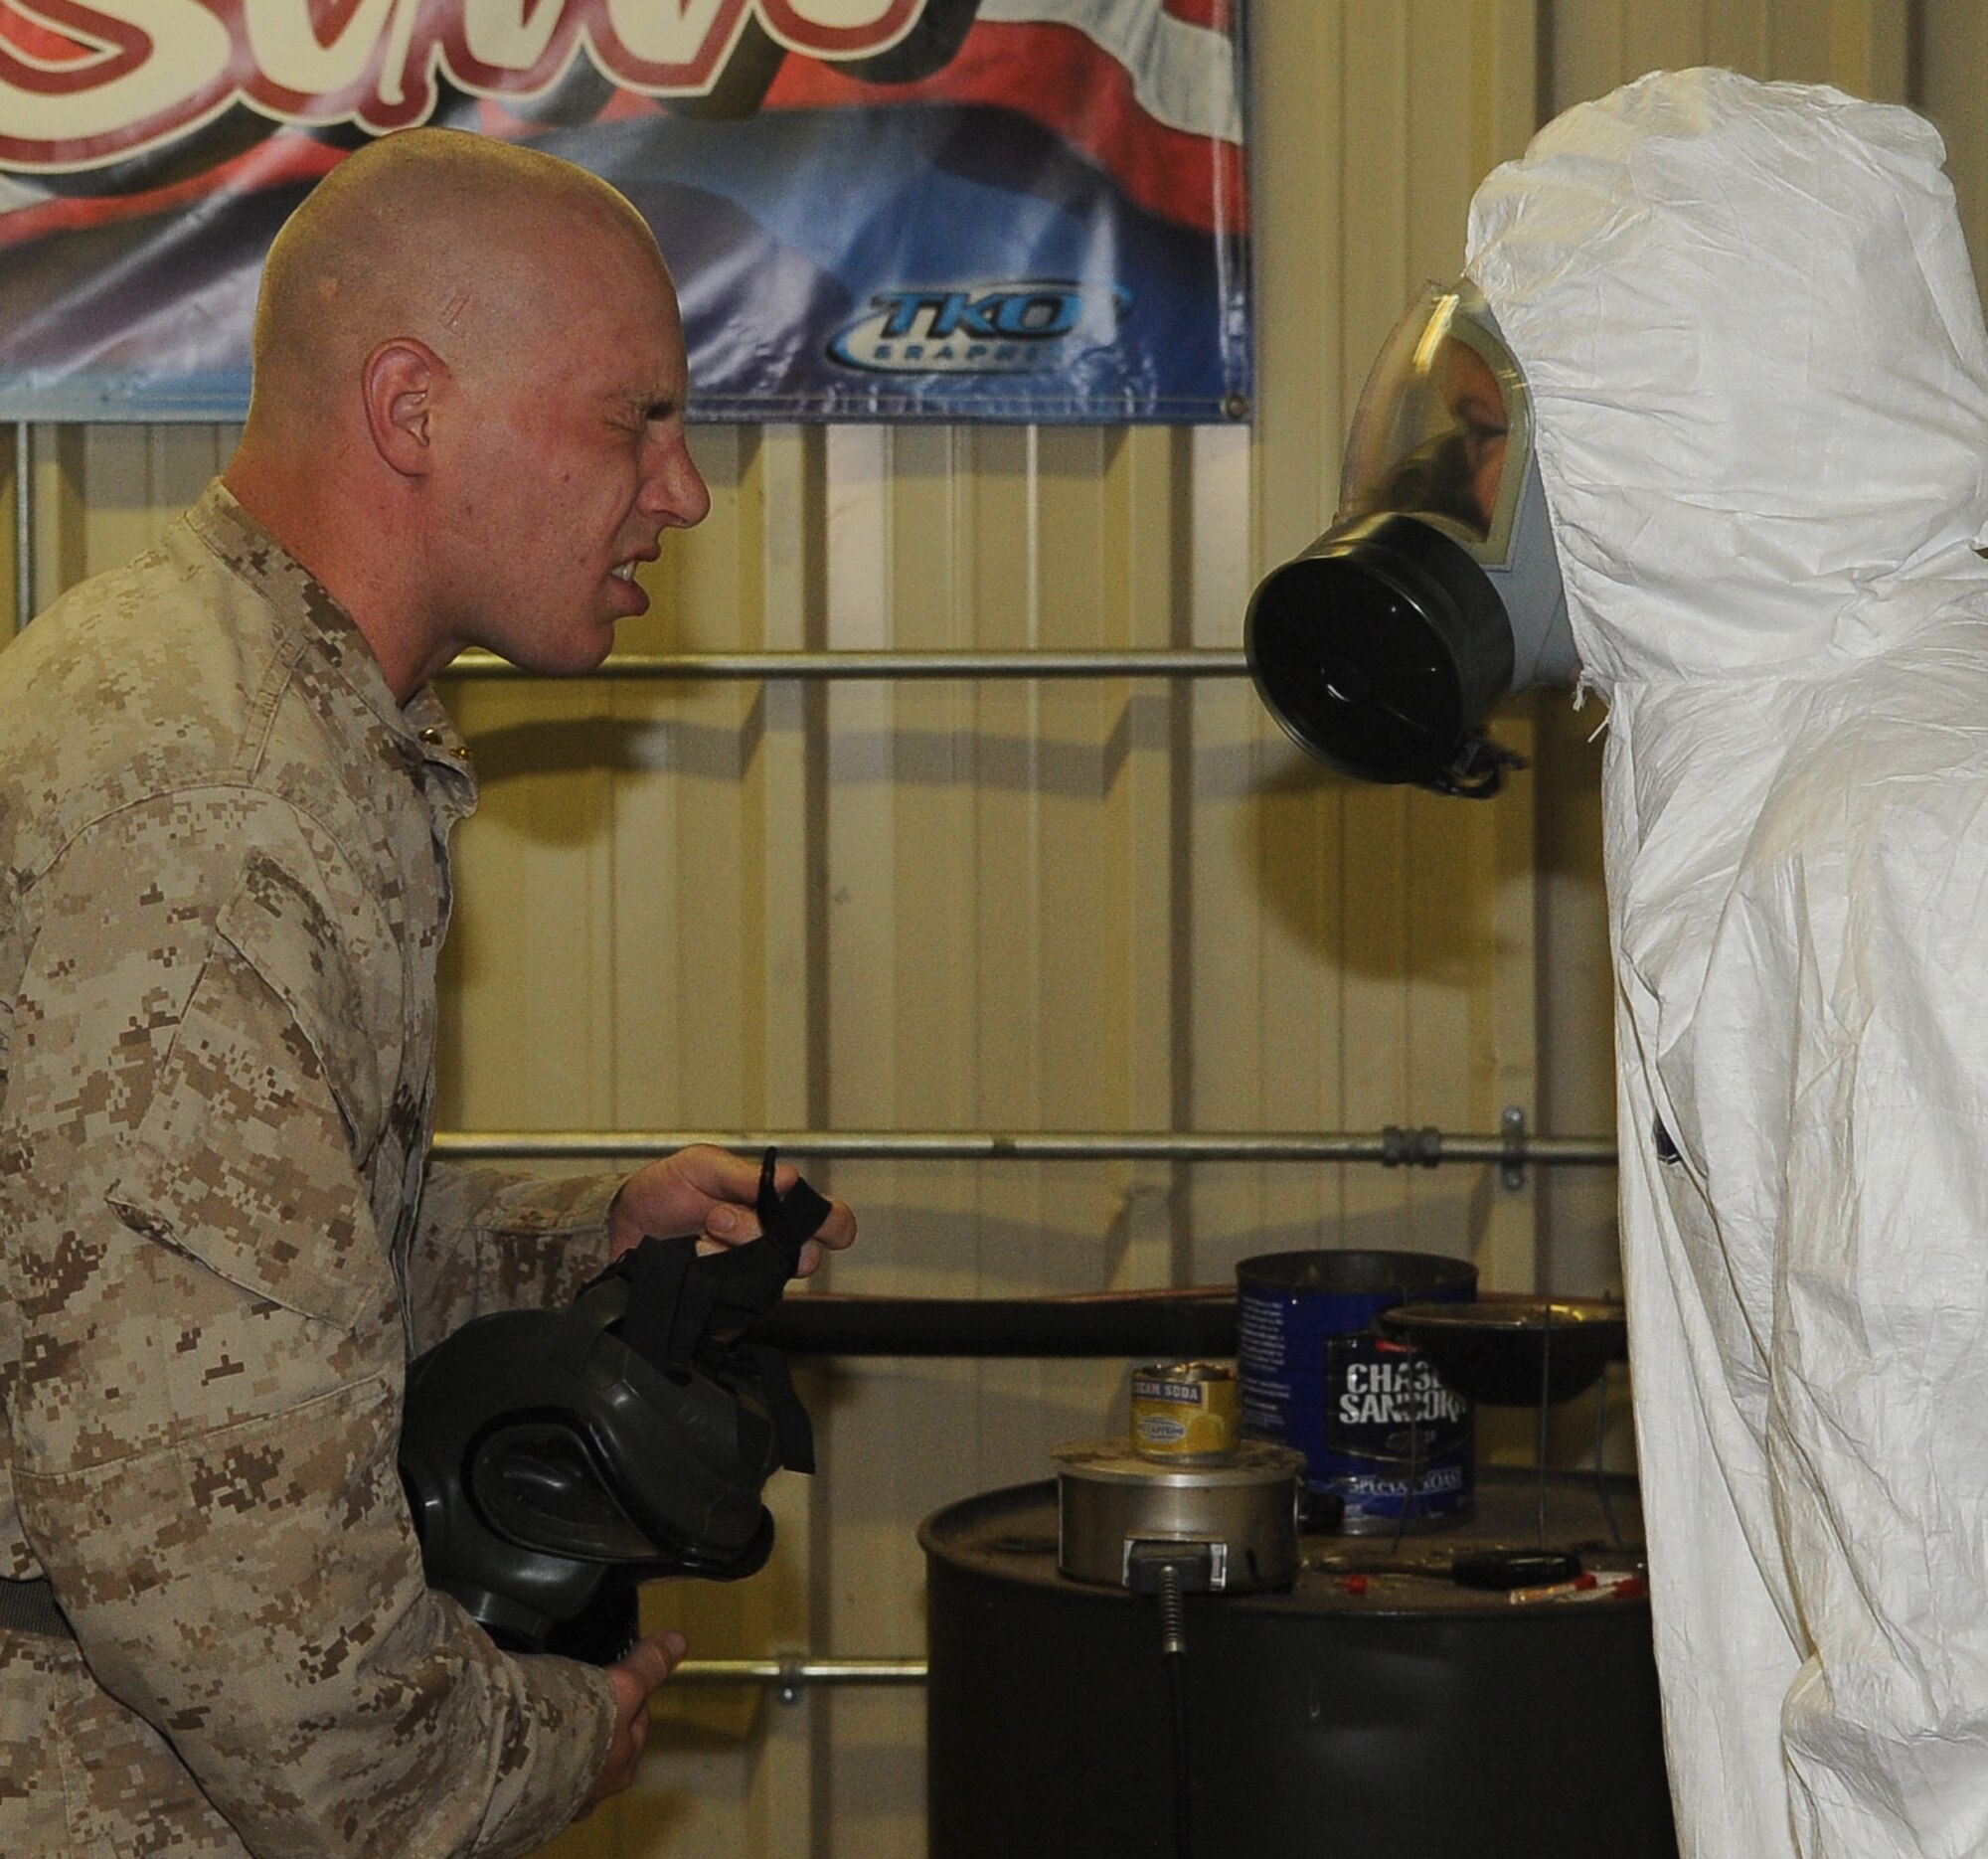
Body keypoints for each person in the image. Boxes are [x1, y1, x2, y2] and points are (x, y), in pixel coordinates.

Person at [0, 128, 855, 1857]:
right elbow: (227, 1574)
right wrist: (534, 1743)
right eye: (641, 420)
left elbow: (205, 1264)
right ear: (412, 410)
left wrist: (583, 1237)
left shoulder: (296, 729)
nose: (683, 493)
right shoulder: (206, 800)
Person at [1456, 70, 1988, 1856]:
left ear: (1677, 426)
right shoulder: (1782, 765)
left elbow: (1948, 1589)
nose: (1464, 496)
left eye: (1500, 428)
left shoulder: (1898, 833)